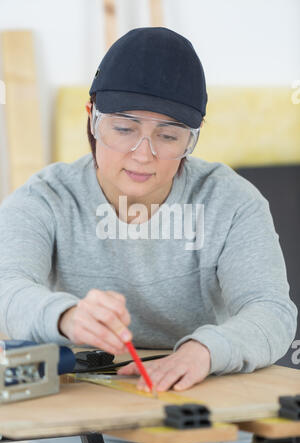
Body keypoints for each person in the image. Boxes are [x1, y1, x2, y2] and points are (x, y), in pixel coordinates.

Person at [0, 27, 297, 400]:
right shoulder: (45, 198)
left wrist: (205, 351)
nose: (143, 154)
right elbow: (6, 287)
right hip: (80, 404)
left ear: (193, 137)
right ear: (92, 118)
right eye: (124, 129)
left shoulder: (232, 201)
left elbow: (271, 312)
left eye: (168, 137)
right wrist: (67, 316)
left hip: (195, 393)